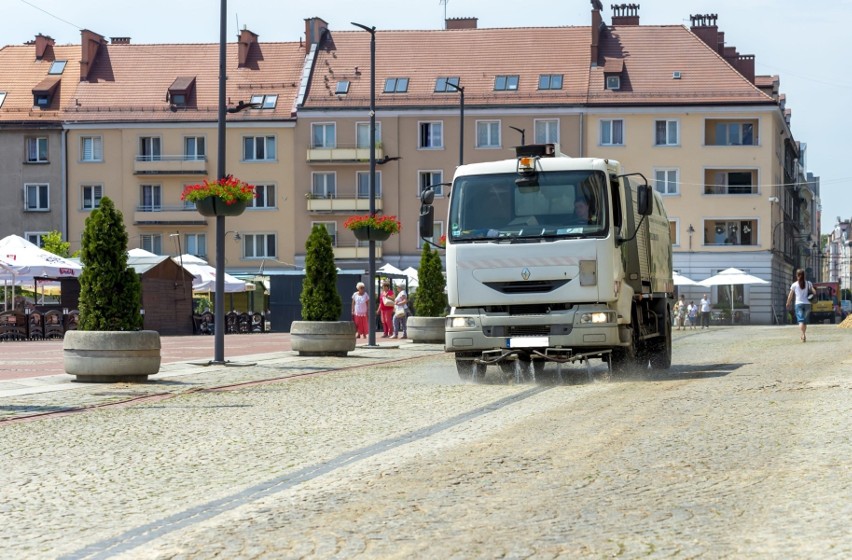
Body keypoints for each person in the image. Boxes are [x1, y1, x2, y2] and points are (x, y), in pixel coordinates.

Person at [786, 268, 816, 342]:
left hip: (798, 304)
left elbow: (790, 295)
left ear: (797, 275)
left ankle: (803, 334)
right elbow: (814, 292)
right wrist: (813, 294)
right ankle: (803, 334)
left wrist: (788, 303)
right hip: (807, 305)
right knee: (804, 321)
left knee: (801, 321)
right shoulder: (809, 283)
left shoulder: (794, 284)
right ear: (804, 275)